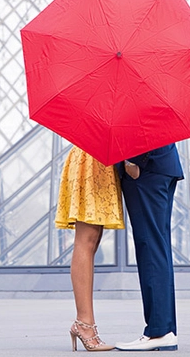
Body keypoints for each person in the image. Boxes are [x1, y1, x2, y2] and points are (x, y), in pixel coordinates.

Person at [115, 143, 183, 352]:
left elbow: (140, 119)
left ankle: (158, 331)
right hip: (161, 164)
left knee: (150, 248)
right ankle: (165, 328)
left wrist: (132, 159)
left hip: (145, 169)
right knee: (158, 247)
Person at [55, 145, 124, 352]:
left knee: (91, 242)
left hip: (97, 162)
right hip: (91, 162)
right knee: (86, 241)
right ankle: (84, 324)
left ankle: (85, 323)